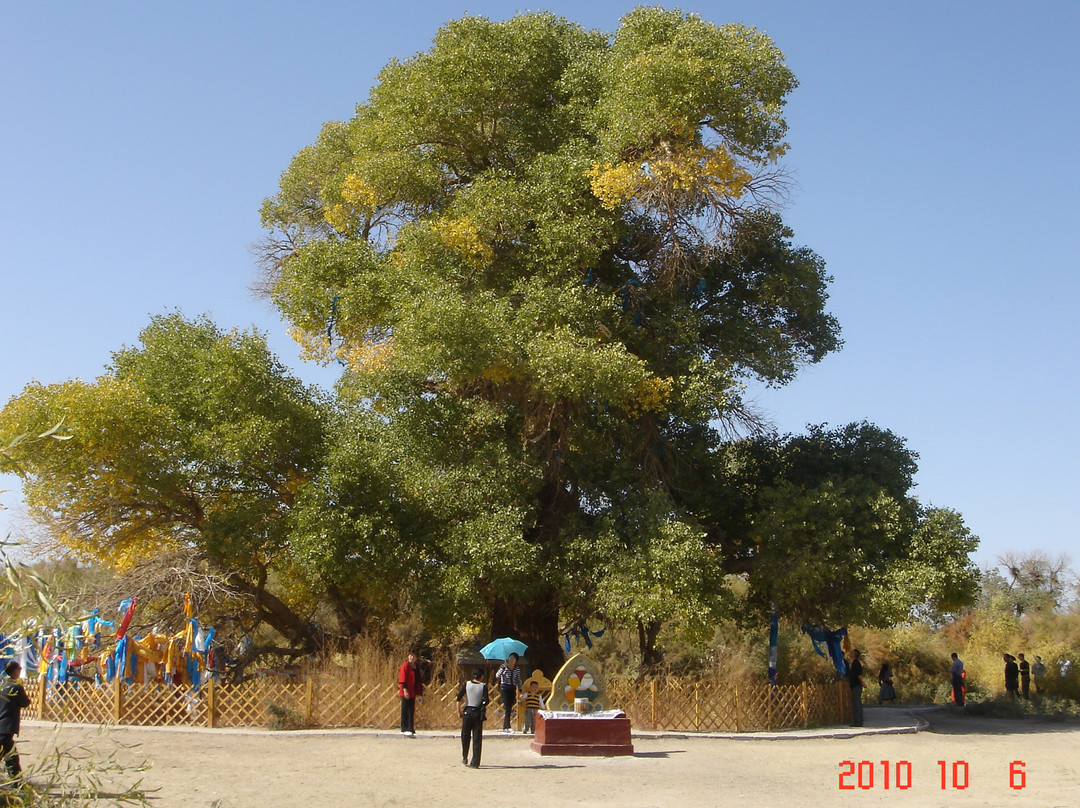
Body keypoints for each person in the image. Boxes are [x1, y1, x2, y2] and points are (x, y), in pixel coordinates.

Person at [0, 661, 31, 780]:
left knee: (11, 758)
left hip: (2, 727)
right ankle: (16, 784)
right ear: (14, 671)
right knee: (12, 759)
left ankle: (16, 784)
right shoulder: (16, 687)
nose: (20, 670)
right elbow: (25, 703)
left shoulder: (2, 684)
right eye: (19, 668)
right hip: (6, 728)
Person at [457, 668, 489, 768]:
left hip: (467, 711)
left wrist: (459, 711)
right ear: (481, 676)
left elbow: (458, 698)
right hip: (477, 713)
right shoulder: (483, 686)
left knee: (465, 735)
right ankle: (475, 762)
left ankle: (464, 756)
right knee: (477, 738)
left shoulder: (467, 684)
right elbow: (486, 700)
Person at [398, 650, 423, 736]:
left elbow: (418, 680)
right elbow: (402, 679)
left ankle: (410, 727)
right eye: (410, 656)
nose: (412, 658)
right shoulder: (405, 666)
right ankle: (404, 727)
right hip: (406, 691)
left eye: (414, 656)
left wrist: (419, 693)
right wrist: (405, 690)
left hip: (413, 691)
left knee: (411, 710)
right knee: (405, 709)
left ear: (416, 658)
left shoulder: (416, 667)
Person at [495, 653, 523, 734]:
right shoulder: (503, 667)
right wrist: (503, 667)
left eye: (513, 658)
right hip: (505, 688)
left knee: (510, 707)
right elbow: (497, 676)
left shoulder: (516, 669)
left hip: (512, 688)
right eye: (510, 657)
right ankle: (506, 726)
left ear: (516, 660)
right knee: (507, 707)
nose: (511, 659)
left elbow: (518, 679)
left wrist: (520, 689)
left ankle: (506, 725)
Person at [845, 649, 864, 727]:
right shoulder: (853, 663)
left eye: (852, 652)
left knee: (857, 703)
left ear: (854, 654)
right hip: (854, 685)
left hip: (856, 685)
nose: (850, 653)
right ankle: (857, 721)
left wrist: (862, 682)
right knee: (855, 703)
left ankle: (858, 722)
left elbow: (859, 674)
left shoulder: (856, 663)